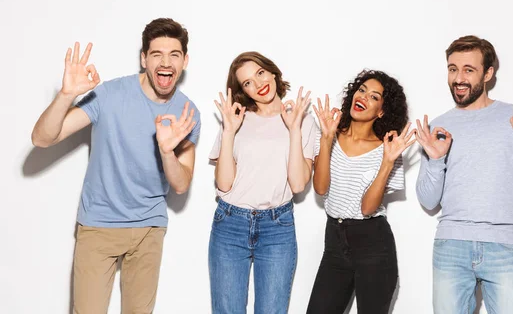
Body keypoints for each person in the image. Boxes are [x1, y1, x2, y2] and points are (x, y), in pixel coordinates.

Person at [31, 18, 201, 314]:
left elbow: (181, 183)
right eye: (157, 53)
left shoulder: (187, 113)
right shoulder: (108, 95)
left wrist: (166, 151)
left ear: (184, 61)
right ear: (143, 59)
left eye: (174, 54)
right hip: (98, 224)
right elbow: (43, 138)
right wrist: (67, 95)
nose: (166, 62)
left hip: (149, 228)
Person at [415, 35, 513, 314]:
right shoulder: (439, 126)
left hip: (505, 247)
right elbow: (428, 201)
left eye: (469, 69)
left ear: (488, 74)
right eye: (452, 68)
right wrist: (435, 160)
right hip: (451, 246)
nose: (458, 78)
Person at [208, 51, 317, 314]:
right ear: (242, 91)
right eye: (247, 82)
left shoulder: (303, 119)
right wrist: (229, 131)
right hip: (230, 222)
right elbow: (223, 184)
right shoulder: (237, 119)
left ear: (272, 72)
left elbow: (299, 184)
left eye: (260, 73)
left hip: (277, 226)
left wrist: (293, 130)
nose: (258, 84)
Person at [306, 70, 415, 314]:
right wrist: (325, 139)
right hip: (334, 242)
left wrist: (387, 163)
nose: (363, 97)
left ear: (382, 111)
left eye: (374, 97)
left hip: (373, 246)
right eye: (362, 90)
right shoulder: (329, 133)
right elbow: (321, 188)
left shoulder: (388, 149)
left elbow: (367, 208)